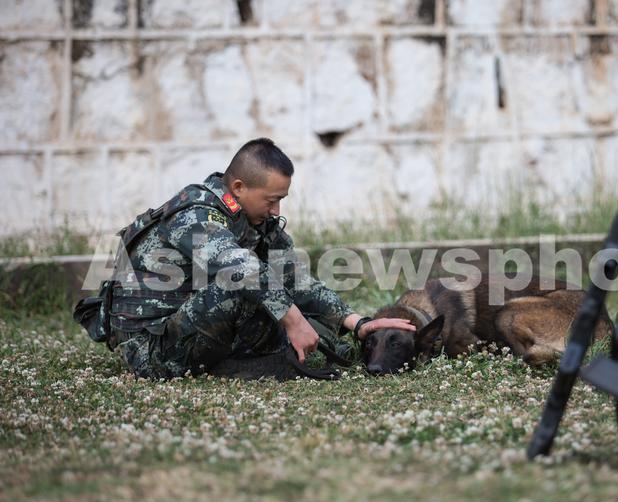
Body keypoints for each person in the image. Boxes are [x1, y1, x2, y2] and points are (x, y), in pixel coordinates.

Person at [98, 138, 414, 380]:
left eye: (280, 201)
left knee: (312, 323)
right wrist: (294, 321)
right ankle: (244, 360)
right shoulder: (194, 214)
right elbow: (241, 269)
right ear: (239, 187)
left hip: (191, 327)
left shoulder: (253, 219)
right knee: (245, 285)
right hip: (151, 350)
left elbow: (294, 279)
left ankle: (257, 354)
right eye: (271, 200)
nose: (276, 210)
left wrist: (357, 323)